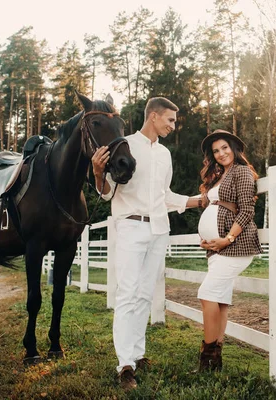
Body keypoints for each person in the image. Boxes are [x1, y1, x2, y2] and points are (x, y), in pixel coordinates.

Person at [92, 97, 201, 391]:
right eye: (170, 120)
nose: (173, 126)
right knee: (127, 294)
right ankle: (124, 365)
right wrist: (98, 173)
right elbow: (106, 193)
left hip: (158, 229)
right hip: (129, 225)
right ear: (153, 116)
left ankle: (138, 355)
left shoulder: (165, 155)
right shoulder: (123, 143)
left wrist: (200, 200)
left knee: (144, 295)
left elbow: (165, 195)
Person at [195, 129, 262, 371]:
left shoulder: (242, 172)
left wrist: (227, 238)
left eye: (224, 147)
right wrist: (208, 238)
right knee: (220, 299)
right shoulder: (220, 176)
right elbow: (213, 206)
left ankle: (207, 357)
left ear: (233, 148)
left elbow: (246, 210)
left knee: (207, 294)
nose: (221, 153)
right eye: (216, 151)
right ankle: (215, 360)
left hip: (236, 246)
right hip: (217, 248)